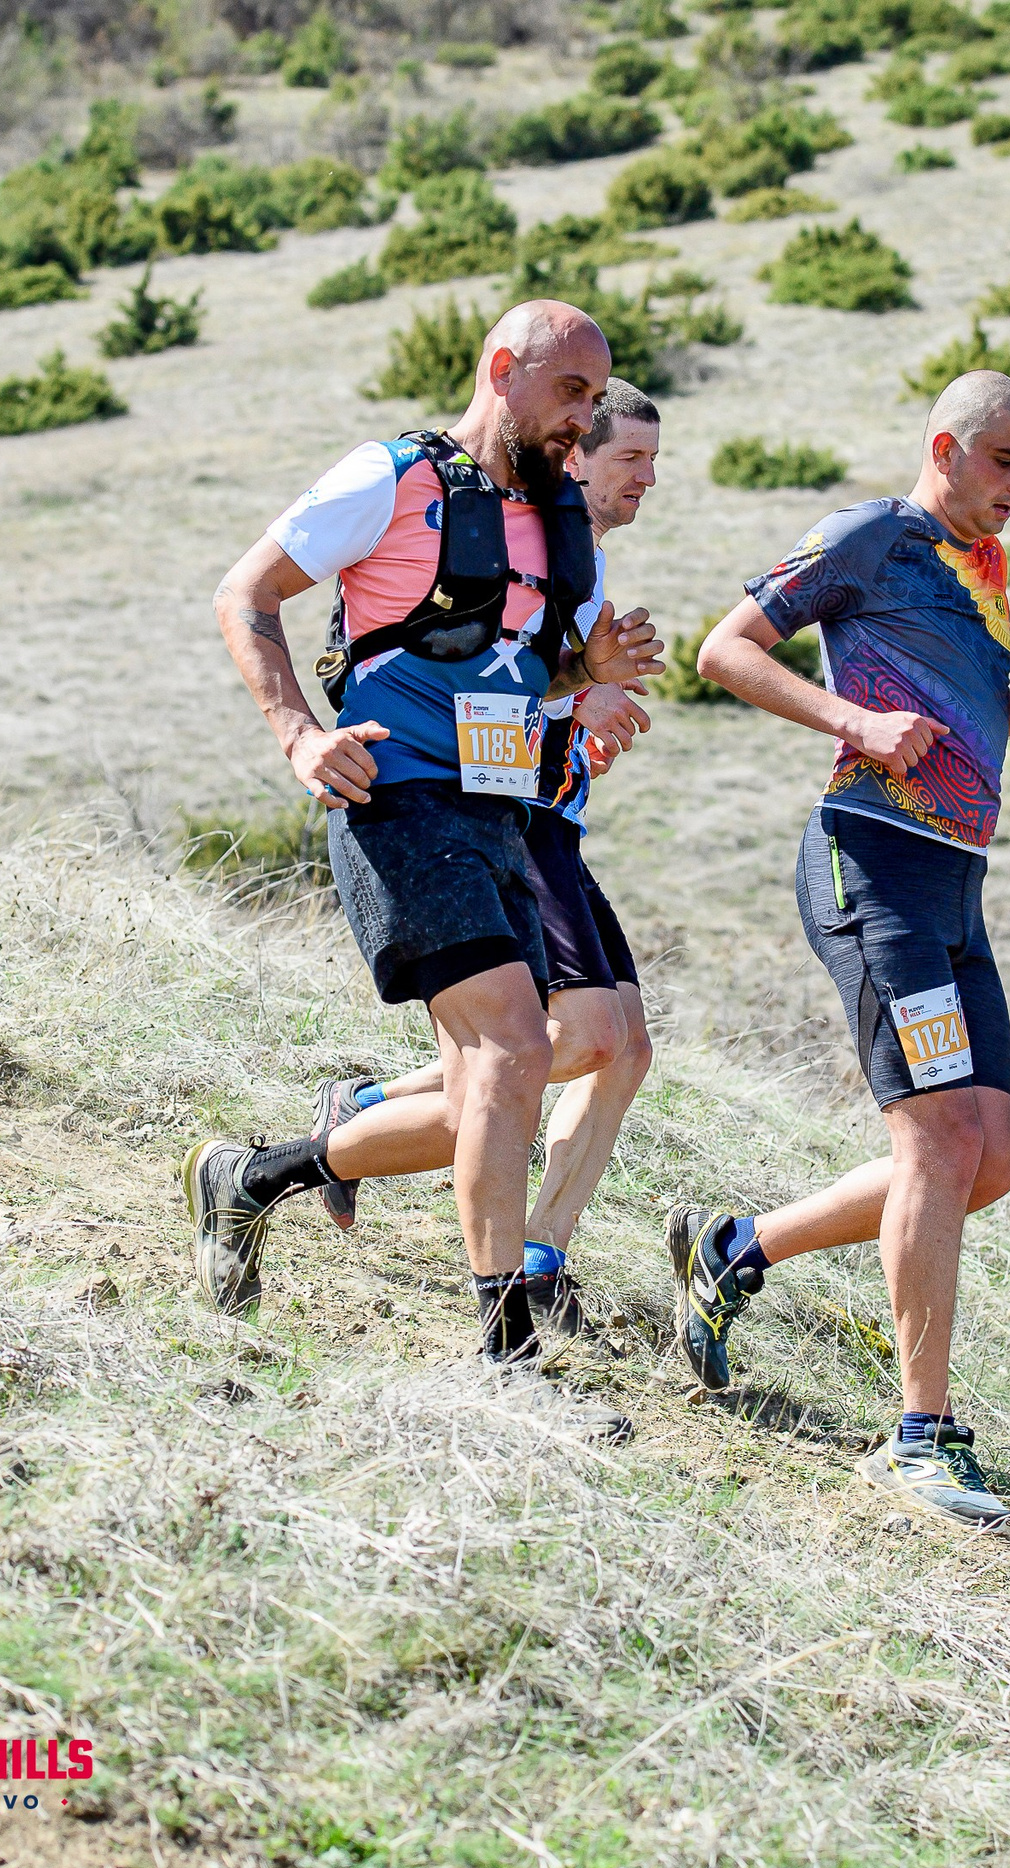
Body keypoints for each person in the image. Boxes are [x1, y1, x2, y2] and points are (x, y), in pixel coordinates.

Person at [189, 301, 661, 1366]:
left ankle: (253, 1177)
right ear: (502, 368)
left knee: (504, 1078)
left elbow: (515, 667)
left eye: (597, 397)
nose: (583, 419)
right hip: (393, 798)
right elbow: (245, 592)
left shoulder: (554, 518)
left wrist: (588, 675)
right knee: (510, 1046)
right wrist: (297, 737)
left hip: (503, 810)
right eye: (571, 392)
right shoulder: (395, 476)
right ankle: (507, 1350)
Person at [673, 370, 1010, 1527]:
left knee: (983, 1164)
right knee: (941, 1141)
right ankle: (918, 1435)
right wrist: (849, 721)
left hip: (955, 884)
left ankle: (738, 1247)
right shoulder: (869, 535)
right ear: (945, 447)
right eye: (1002, 462)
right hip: (869, 865)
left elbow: (953, 712)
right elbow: (724, 649)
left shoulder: (983, 567)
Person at [305, 379, 665, 1329]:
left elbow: (529, 686)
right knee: (553, 1046)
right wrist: (572, 698)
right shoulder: (473, 514)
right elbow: (475, 683)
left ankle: (533, 1253)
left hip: (535, 815)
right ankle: (509, 1281)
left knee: (618, 1046)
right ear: (574, 453)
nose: (649, 481)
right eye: (628, 457)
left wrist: (582, 691)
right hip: (474, 810)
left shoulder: (571, 565)